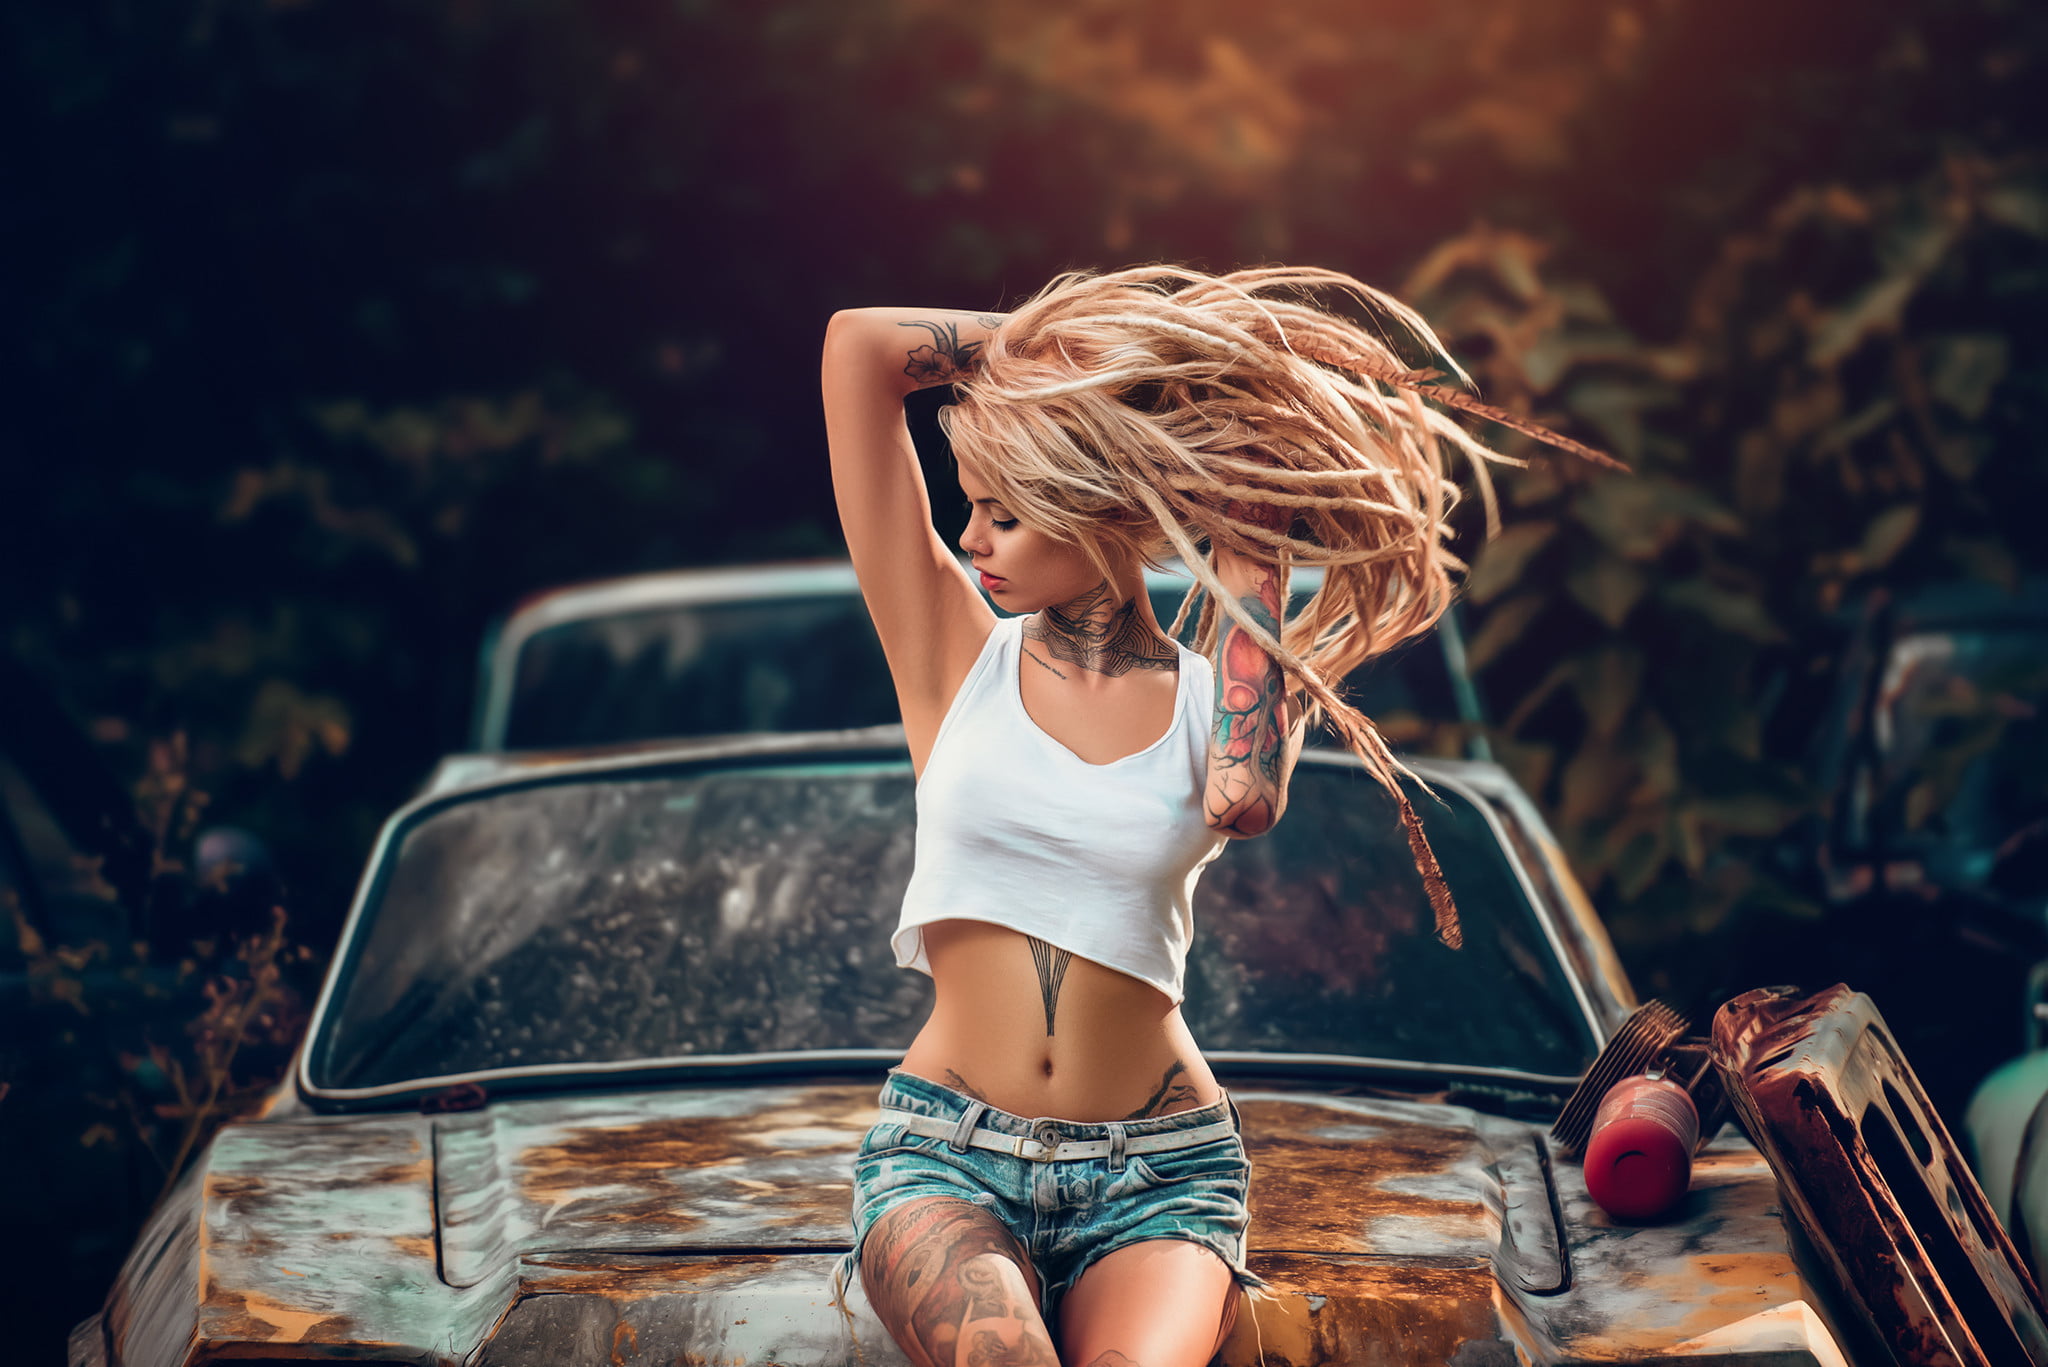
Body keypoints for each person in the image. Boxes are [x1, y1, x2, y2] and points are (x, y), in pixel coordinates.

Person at [821, 265, 1602, 1367]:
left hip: (1160, 1165)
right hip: (946, 1153)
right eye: (970, 508)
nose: (974, 536)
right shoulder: (949, 654)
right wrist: (1107, 364)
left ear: (1104, 509)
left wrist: (1232, 512)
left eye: (1006, 508)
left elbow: (1241, 794)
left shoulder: (1213, 702)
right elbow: (859, 344)